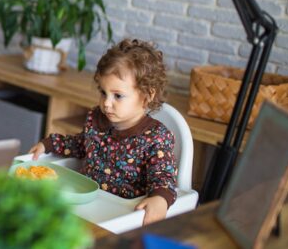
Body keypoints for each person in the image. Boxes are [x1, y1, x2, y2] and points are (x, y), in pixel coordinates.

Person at [28, 39, 177, 225]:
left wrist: (160, 199)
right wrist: (48, 144)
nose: (106, 103)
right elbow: (81, 144)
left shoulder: (156, 137)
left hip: (119, 216)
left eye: (118, 96)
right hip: (85, 203)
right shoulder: (96, 118)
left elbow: (163, 177)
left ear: (147, 95)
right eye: (103, 92)